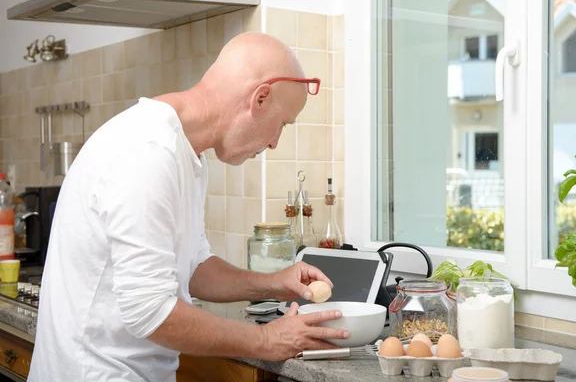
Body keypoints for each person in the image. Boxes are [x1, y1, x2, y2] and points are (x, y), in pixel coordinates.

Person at [28, 32, 349, 382]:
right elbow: (149, 312)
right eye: (282, 125)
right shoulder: (149, 152)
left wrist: (273, 283)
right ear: (259, 98)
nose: (274, 142)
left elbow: (194, 269)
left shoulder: (186, 153)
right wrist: (266, 339)